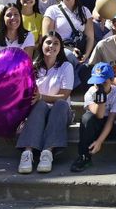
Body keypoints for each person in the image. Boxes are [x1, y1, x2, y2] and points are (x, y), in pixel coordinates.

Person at [16, 32, 74, 174]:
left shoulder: (66, 66)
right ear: (41, 45)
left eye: (56, 43)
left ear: (60, 47)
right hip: (38, 111)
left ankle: (47, 153)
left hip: (60, 112)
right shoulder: (33, 67)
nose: (51, 46)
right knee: (40, 105)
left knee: (60, 104)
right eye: (48, 42)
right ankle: (27, 153)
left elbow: (64, 95)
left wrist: (41, 97)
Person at [71, 62, 116, 172]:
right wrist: (100, 97)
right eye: (97, 83)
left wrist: (99, 142)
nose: (99, 86)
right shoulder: (90, 93)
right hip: (96, 126)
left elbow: (111, 119)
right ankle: (84, 156)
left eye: (103, 83)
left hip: (112, 127)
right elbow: (99, 115)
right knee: (87, 118)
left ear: (111, 80)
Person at [42, 0, 95, 64]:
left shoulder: (85, 11)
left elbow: (90, 37)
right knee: (70, 56)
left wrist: (86, 55)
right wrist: (69, 49)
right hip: (59, 51)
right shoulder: (52, 10)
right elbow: (47, 38)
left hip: (80, 53)